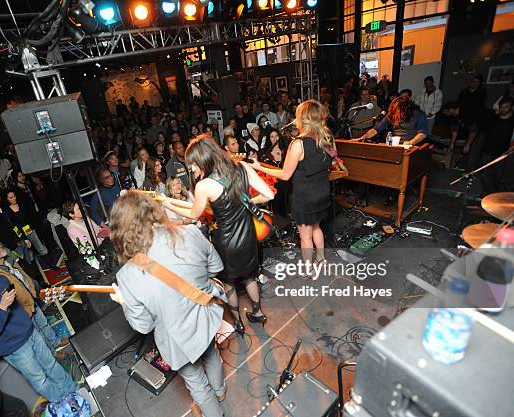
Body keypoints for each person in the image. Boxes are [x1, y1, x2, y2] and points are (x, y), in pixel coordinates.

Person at [108, 191, 227, 417]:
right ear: (153, 210)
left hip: (178, 341)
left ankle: (215, 411)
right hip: (205, 316)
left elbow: (143, 326)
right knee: (212, 354)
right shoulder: (190, 232)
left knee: (196, 382)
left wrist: (124, 301)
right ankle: (221, 391)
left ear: (120, 231)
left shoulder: (127, 276)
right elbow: (215, 268)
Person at [161, 135, 274, 333]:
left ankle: (238, 322)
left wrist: (169, 204)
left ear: (204, 160)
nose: (193, 169)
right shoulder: (242, 167)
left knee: (229, 282)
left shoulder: (205, 185)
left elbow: (194, 215)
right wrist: (245, 202)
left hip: (226, 241)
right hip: (247, 236)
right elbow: (269, 195)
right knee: (249, 276)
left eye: (193, 165)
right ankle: (258, 312)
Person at [0, 255, 78, 403]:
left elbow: (17, 308)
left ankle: (73, 390)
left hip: (30, 332)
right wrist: (2, 307)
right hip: (14, 347)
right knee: (40, 378)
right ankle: (65, 403)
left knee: (51, 364)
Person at [251, 100, 336, 271]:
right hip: (322, 193)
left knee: (305, 236)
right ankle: (321, 260)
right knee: (317, 227)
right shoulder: (327, 137)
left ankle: (308, 269)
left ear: (303, 118)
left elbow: (285, 175)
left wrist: (258, 166)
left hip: (305, 197)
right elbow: (331, 161)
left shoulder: (298, 143)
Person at [0, 240, 64, 353]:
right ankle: (53, 353)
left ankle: (55, 342)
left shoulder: (7, 260)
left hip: (30, 298)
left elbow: (23, 277)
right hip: (22, 309)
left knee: (44, 324)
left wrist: (32, 290)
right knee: (37, 335)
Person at [357, 95, 428, 146]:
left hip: (412, 146)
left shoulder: (419, 114)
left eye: (397, 110)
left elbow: (423, 133)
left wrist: (410, 143)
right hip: (395, 145)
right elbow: (377, 129)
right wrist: (364, 137)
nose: (395, 113)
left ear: (405, 109)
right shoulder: (392, 114)